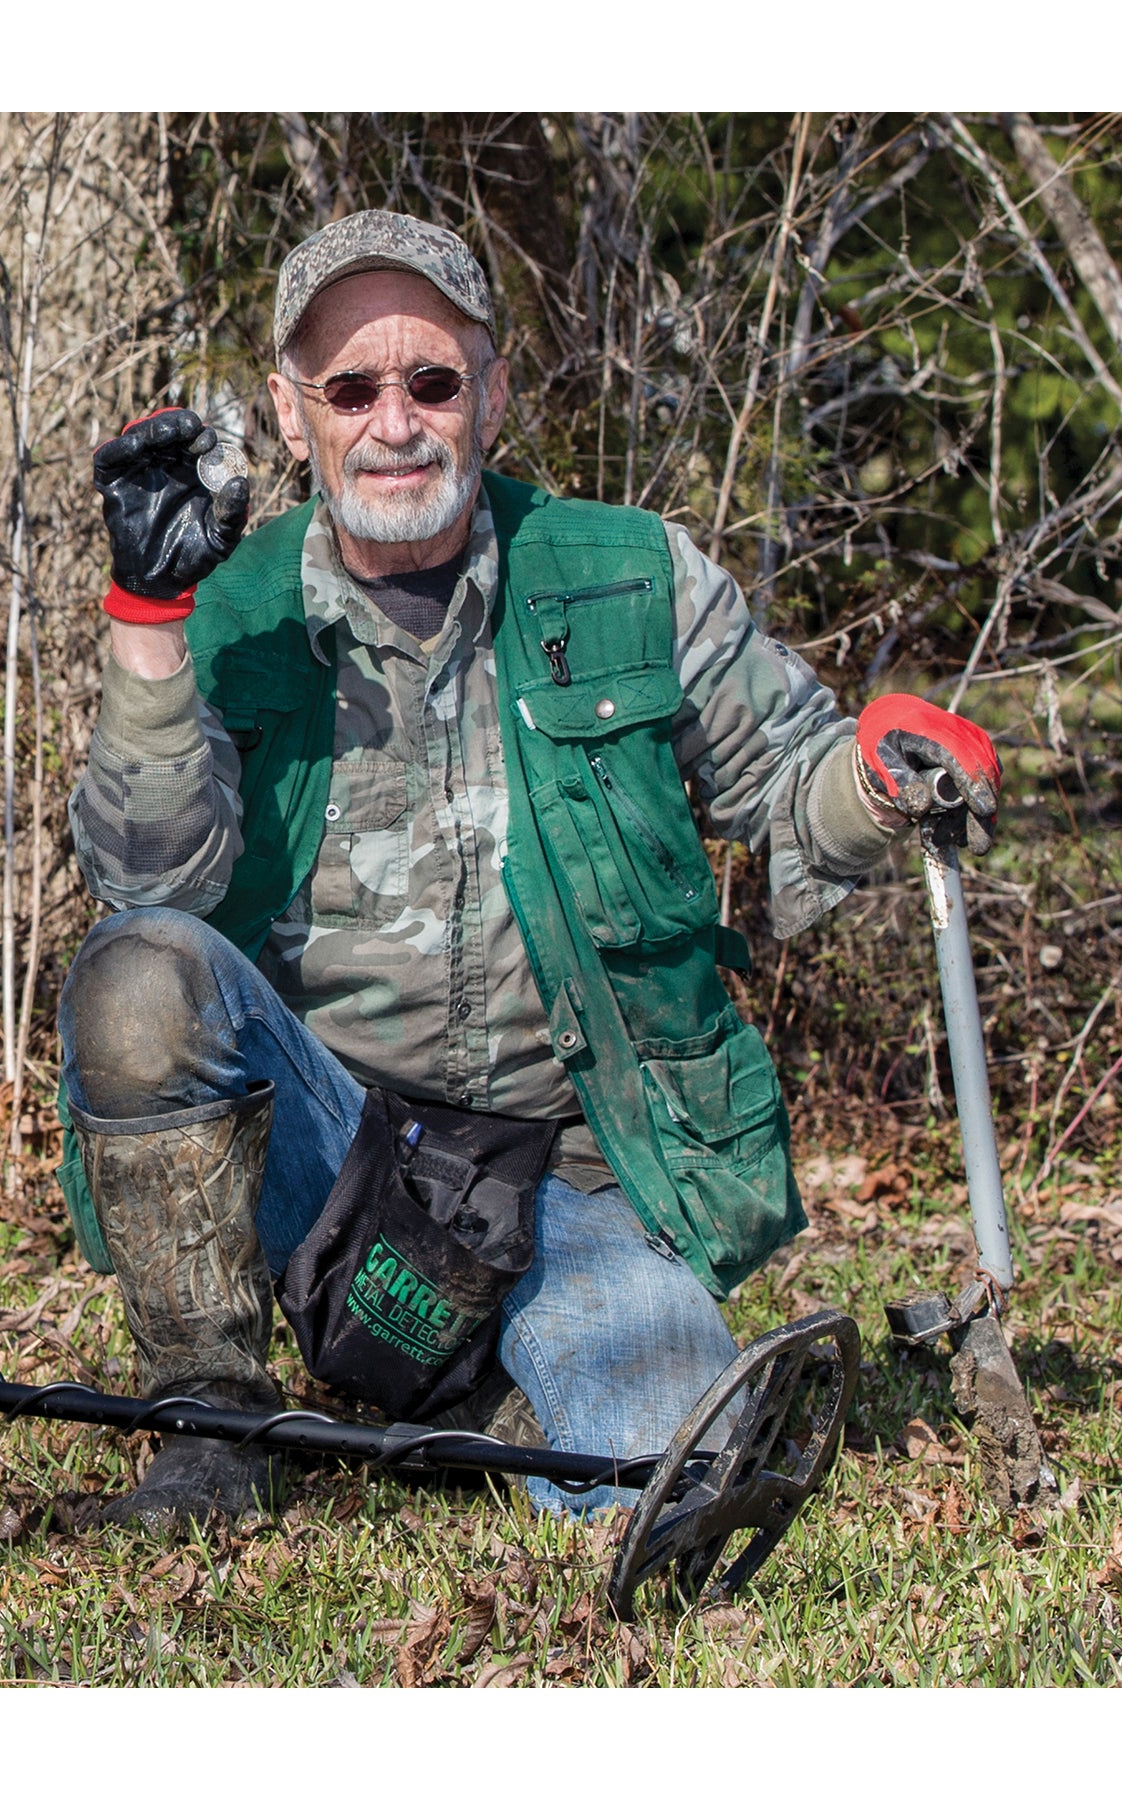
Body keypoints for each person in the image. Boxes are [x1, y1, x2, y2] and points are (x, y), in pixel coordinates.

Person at [54, 210, 1001, 1527]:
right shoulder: (228, 600)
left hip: (579, 1174)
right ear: (291, 412)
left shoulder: (631, 577)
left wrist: (885, 779)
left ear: (490, 391)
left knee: (676, 1464)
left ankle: (462, 1394)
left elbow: (795, 795)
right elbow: (149, 888)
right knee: (138, 973)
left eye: (433, 381)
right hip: (334, 1158)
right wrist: (148, 623)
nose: (396, 422)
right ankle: (211, 1429)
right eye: (352, 390)